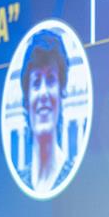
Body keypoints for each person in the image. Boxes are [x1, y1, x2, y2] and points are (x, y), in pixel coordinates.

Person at [18, 29, 74, 194]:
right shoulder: (19, 182)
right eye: (36, 82)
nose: (43, 93)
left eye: (50, 80)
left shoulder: (74, 176)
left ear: (61, 92)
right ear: (27, 100)